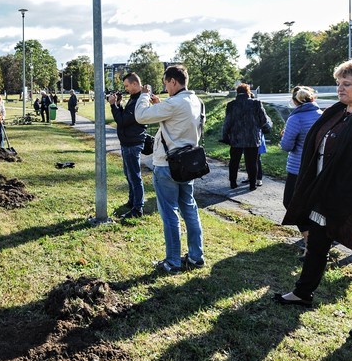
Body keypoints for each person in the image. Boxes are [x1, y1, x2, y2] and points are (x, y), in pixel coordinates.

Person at [276, 58, 352, 344]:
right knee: (316, 247)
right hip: (325, 198)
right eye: (339, 83)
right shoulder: (337, 114)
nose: (340, 88)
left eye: (347, 84)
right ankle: (302, 293)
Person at [135, 65, 206, 274]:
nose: (165, 88)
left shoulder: (174, 103)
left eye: (166, 83)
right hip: (188, 163)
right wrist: (162, 105)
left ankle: (173, 261)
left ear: (173, 81)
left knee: (169, 213)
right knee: (190, 209)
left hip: (167, 165)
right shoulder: (196, 101)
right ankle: (196, 256)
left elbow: (141, 115)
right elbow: (178, 120)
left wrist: (144, 95)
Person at [279, 86, 322, 256]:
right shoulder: (321, 115)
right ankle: (317, 238)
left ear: (295, 101)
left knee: (290, 202)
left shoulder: (295, 118)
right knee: (313, 205)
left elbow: (287, 145)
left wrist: (284, 135)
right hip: (318, 167)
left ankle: (309, 239)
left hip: (298, 168)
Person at [108, 73, 147, 218]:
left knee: (134, 176)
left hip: (133, 143)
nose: (126, 89)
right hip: (127, 142)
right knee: (129, 174)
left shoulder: (140, 100)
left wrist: (113, 105)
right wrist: (118, 104)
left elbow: (122, 121)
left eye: (127, 86)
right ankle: (132, 202)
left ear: (135, 84)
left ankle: (138, 208)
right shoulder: (134, 98)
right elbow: (125, 117)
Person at [222, 84, 272, 191]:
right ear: (248, 91)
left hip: (236, 137)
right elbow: (263, 120)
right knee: (252, 162)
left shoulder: (231, 105)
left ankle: (233, 182)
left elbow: (227, 122)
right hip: (252, 137)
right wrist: (267, 128)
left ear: (237, 92)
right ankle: (252, 184)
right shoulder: (256, 103)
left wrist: (225, 135)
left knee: (234, 161)